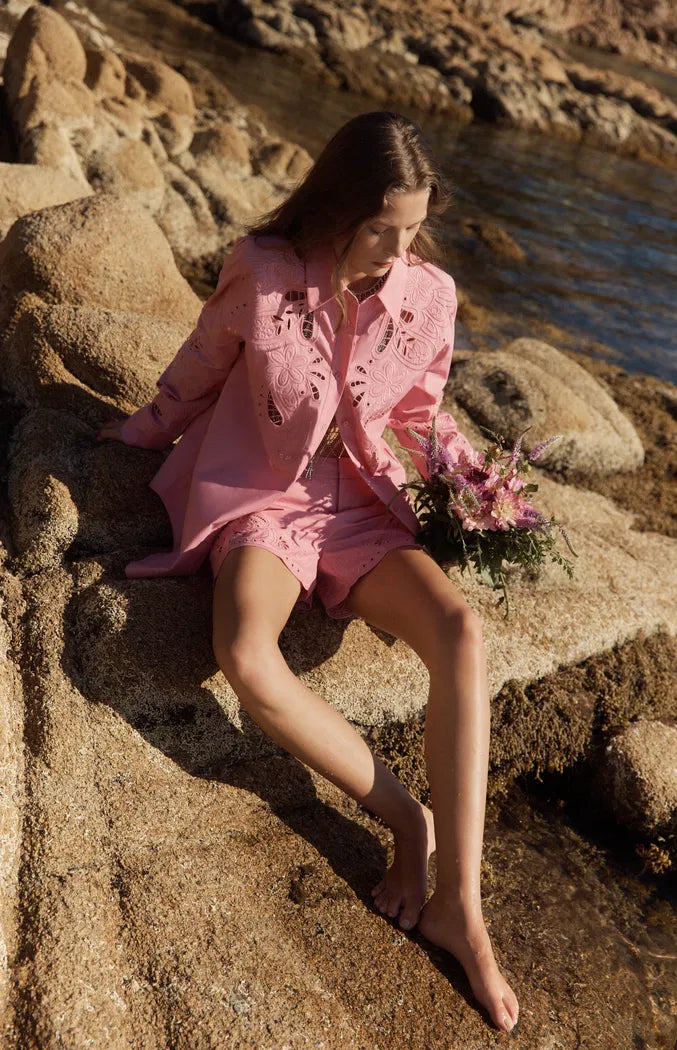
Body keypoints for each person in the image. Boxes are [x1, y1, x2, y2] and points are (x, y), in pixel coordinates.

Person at [98, 110, 520, 1035]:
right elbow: (199, 369)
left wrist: (476, 487)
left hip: (363, 503)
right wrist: (134, 433)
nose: (398, 251)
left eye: (413, 229)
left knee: (461, 632)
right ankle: (407, 822)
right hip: (265, 497)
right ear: (335, 208)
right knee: (247, 655)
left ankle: (462, 906)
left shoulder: (429, 293)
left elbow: (420, 415)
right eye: (380, 229)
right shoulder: (262, 270)